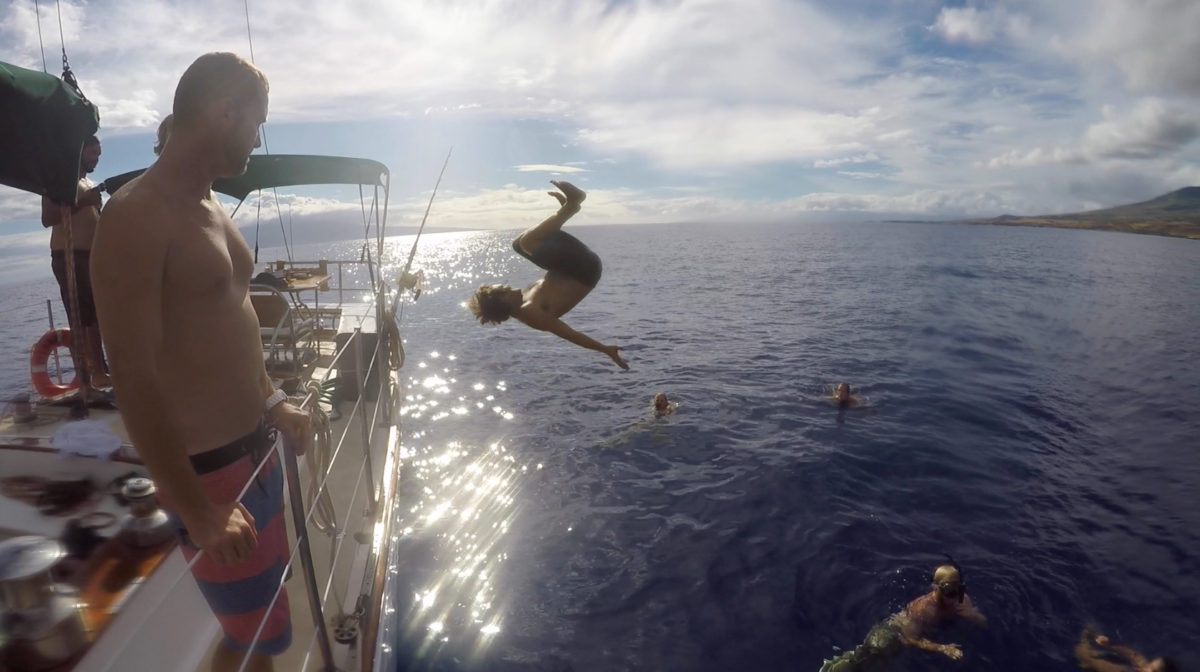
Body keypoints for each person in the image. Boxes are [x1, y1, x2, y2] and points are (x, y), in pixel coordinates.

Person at [91, 52, 310, 672]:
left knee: (258, 629)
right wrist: (196, 509)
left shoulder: (211, 206)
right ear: (225, 111)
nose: (258, 139)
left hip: (256, 453)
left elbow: (228, 325)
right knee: (253, 642)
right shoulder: (136, 215)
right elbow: (133, 376)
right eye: (257, 122)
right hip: (211, 479)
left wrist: (275, 401)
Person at [467, 181, 628, 369]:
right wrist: (604, 349)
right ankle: (572, 205)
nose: (509, 286)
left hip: (569, 267)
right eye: (505, 290)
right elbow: (570, 334)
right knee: (528, 242)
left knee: (518, 244)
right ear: (504, 302)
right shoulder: (533, 315)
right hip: (584, 269)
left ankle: (567, 209)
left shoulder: (524, 300)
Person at [819, 560, 986, 671]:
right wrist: (941, 648)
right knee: (868, 655)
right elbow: (909, 638)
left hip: (911, 637)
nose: (955, 595)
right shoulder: (924, 609)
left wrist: (972, 615)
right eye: (950, 590)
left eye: (958, 588)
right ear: (936, 588)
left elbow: (984, 624)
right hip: (893, 633)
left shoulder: (962, 600)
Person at [41, 135, 110, 389]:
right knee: (82, 318)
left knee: (96, 315)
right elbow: (48, 217)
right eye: (93, 154)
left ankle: (100, 370)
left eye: (99, 154)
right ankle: (87, 378)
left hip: (92, 256)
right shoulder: (59, 179)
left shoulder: (86, 182)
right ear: (79, 152)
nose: (97, 159)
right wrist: (85, 202)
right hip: (69, 255)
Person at [1076, 628, 1178, 672]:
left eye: (1151, 669)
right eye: (1150, 664)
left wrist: (1084, 641)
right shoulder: (1145, 667)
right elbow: (1133, 655)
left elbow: (1086, 658)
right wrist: (1108, 645)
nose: (1145, 667)